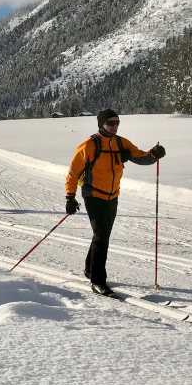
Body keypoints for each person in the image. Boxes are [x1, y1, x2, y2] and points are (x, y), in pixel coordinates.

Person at [64, 109, 166, 296]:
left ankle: (89, 269)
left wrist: (154, 154)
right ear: (101, 124)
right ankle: (97, 281)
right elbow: (73, 173)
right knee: (101, 236)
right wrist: (70, 197)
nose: (115, 126)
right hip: (93, 195)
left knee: (101, 235)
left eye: (117, 122)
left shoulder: (121, 143)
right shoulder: (89, 145)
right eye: (110, 123)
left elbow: (140, 157)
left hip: (113, 196)